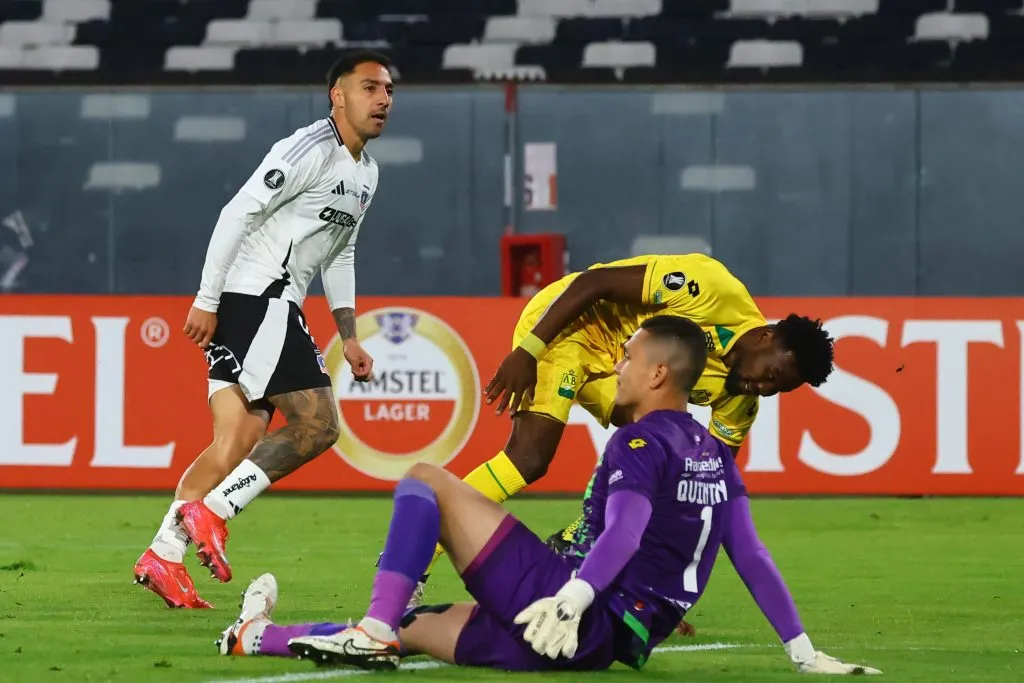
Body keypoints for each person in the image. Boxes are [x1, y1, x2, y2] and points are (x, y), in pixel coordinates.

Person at [217, 317, 880, 675]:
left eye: (628, 357)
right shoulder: (712, 452)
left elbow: (623, 528)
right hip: (592, 646)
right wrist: (802, 650)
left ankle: (375, 623)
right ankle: (254, 636)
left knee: (424, 479)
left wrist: (572, 595)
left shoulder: (638, 442)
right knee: (417, 632)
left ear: (657, 372)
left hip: (565, 605)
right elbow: (750, 554)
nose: (616, 365)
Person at [416, 253, 846, 665]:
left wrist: (654, 593)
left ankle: (577, 542)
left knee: (647, 440)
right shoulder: (711, 288)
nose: (763, 389)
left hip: (620, 373)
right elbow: (593, 284)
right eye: (770, 374)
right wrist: (529, 349)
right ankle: (420, 555)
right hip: (569, 329)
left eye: (777, 390)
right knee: (529, 458)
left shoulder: (739, 403)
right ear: (766, 337)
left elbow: (696, 499)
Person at [132, 49, 394, 608]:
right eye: (370, 87)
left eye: (389, 90)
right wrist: (207, 299)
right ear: (338, 95)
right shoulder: (307, 149)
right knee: (319, 425)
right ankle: (212, 513)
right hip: (260, 297)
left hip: (266, 303)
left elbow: (339, 257)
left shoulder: (367, 175)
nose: (384, 99)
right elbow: (237, 213)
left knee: (237, 439)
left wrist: (347, 333)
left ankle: (163, 554)